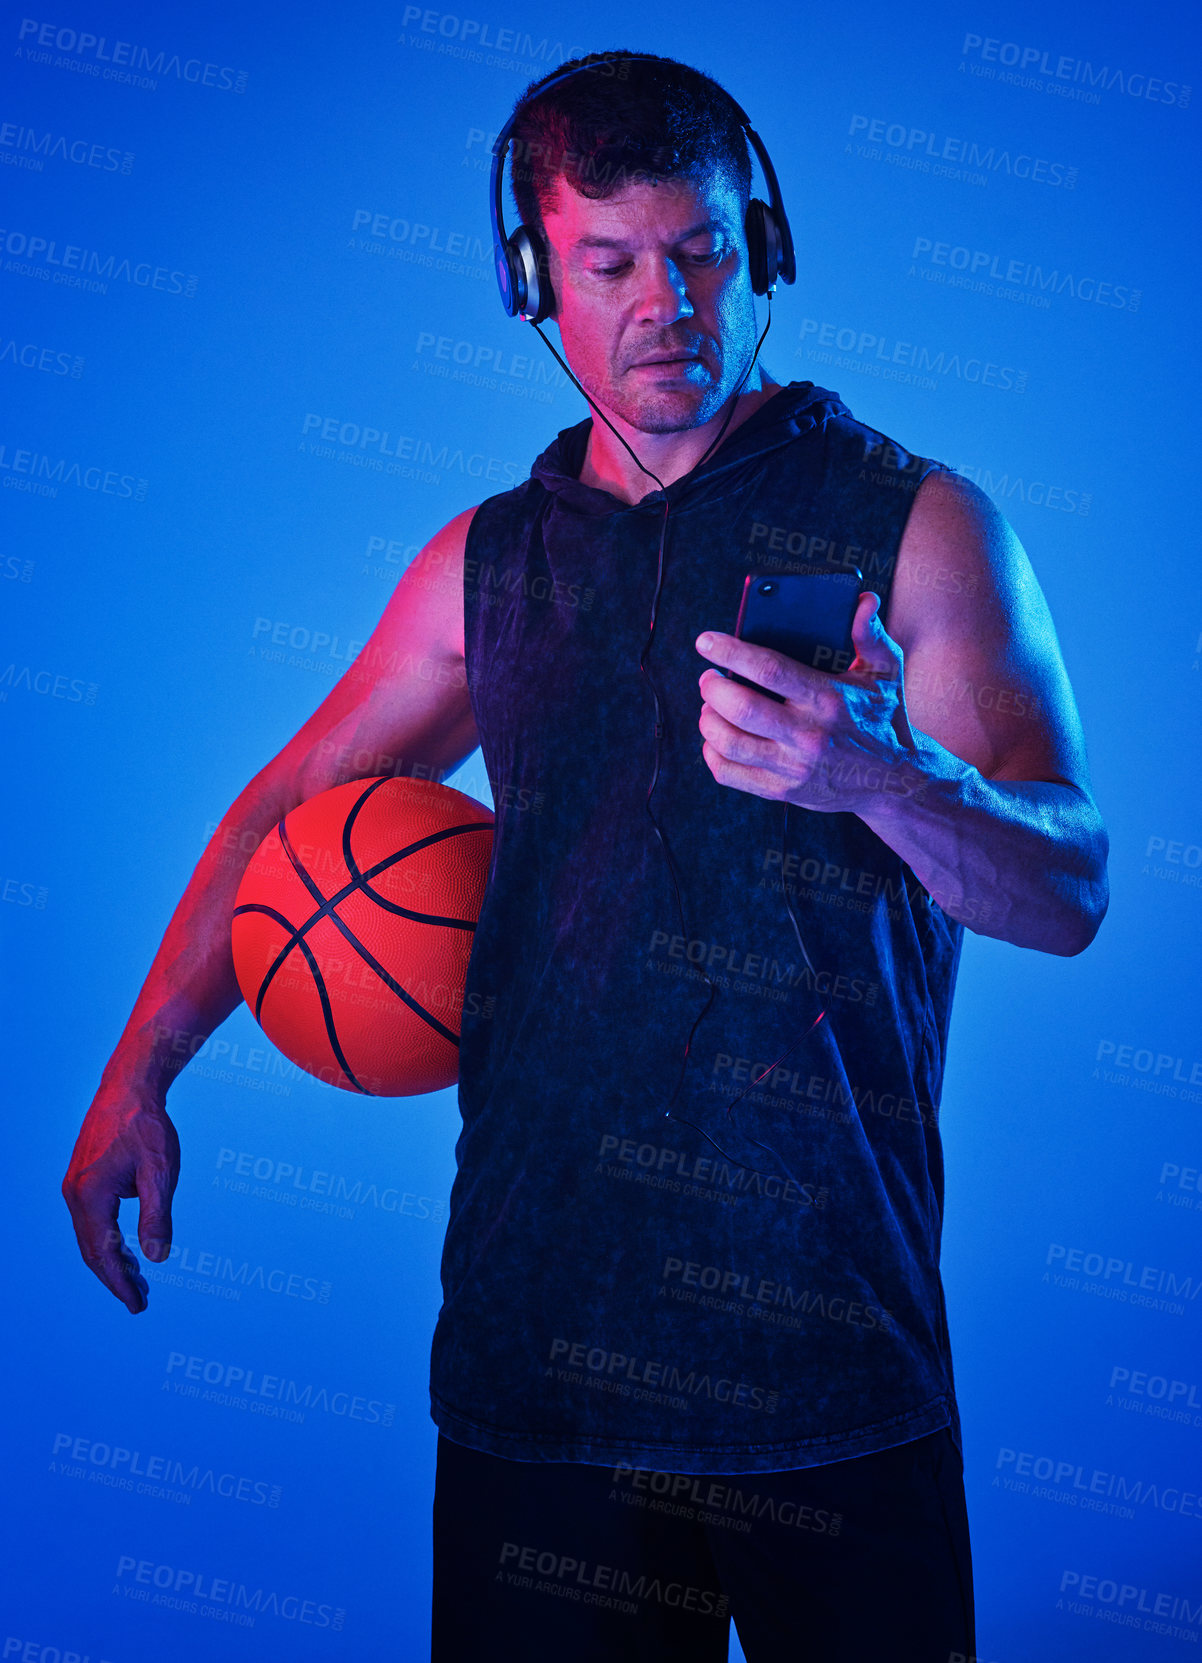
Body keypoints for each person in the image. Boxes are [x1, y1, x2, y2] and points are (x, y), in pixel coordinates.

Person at [62, 49, 1109, 1663]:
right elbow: (287, 814)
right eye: (608, 263)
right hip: (534, 1357)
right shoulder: (482, 567)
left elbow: (1069, 888)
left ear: (758, 245)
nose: (665, 303)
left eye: (697, 251)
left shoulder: (915, 526)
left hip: (829, 1364)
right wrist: (140, 1071)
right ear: (528, 279)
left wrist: (884, 772)